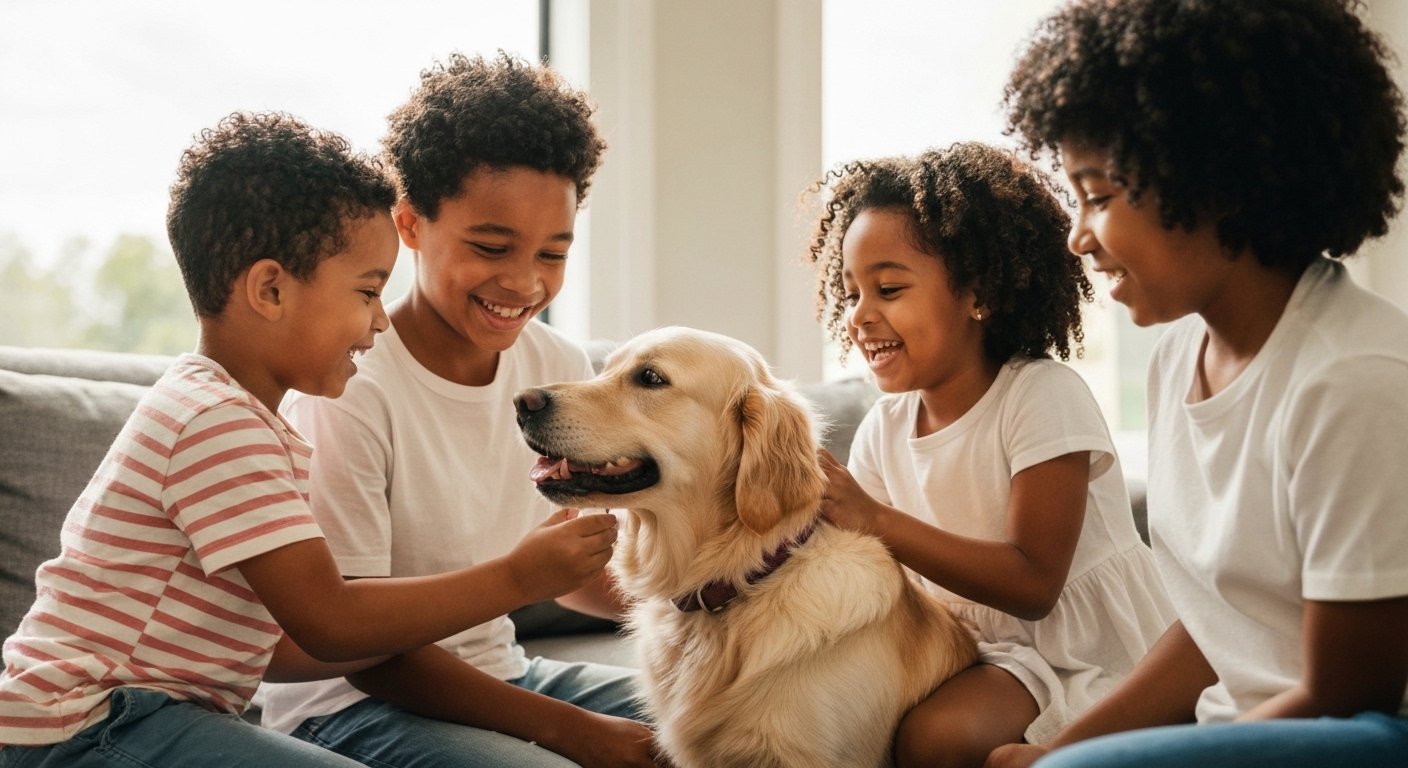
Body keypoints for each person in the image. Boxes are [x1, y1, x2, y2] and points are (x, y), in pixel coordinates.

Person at [0, 112, 621, 768]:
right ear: (271, 289)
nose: (379, 320)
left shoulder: (240, 418)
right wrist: (518, 576)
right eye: (366, 292)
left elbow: (296, 645)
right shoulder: (215, 424)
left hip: (143, 712)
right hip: (91, 718)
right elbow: (332, 624)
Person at [989, 1, 1408, 766]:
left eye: (1100, 196)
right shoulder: (1177, 353)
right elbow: (1218, 628)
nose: (1079, 237)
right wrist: (1051, 749)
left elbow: (1351, 694)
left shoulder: (1356, 381)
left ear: (1216, 180)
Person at [254, 52, 659, 768]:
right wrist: (570, 731)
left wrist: (711, 599)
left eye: (553, 253)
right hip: (349, 708)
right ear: (410, 224)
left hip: (503, 672)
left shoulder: (557, 370)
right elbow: (357, 649)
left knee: (733, 732)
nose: (525, 282)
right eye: (491, 246)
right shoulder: (350, 388)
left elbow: (582, 575)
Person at [806, 141, 1176, 768]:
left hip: (1082, 652)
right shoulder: (883, 428)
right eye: (852, 295)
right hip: (971, 648)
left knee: (936, 739)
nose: (860, 317)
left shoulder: (1040, 395)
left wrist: (873, 518)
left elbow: (1033, 583)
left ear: (976, 293)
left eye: (889, 288)